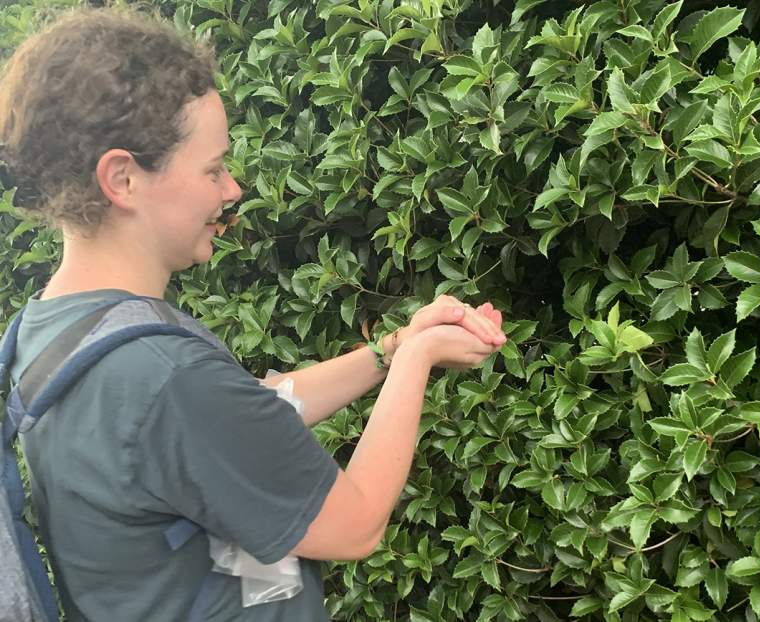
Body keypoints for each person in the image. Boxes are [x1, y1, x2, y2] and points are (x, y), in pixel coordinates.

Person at [0, 7, 506, 621]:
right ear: (123, 178)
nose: (232, 189)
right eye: (212, 168)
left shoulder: (53, 329)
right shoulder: (162, 375)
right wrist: (420, 360)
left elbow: (247, 416)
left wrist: (391, 347)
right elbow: (355, 525)